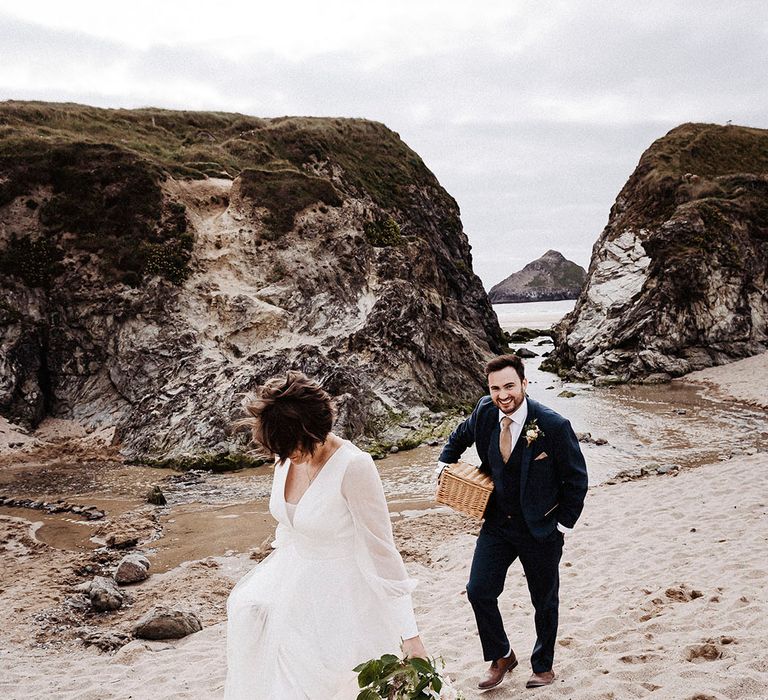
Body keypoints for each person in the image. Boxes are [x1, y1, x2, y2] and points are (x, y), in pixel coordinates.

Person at [225, 370, 426, 699]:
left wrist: (410, 634)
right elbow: (288, 528)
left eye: (290, 447)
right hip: (293, 590)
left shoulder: (354, 467)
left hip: (344, 604)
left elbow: (383, 553)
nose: (286, 456)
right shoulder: (288, 454)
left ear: (313, 428)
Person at [437, 354, 587, 690]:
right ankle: (502, 655)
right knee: (479, 591)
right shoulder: (485, 412)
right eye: (495, 388)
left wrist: (562, 526)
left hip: (540, 529)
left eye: (509, 386)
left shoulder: (553, 425)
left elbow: (576, 479)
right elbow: (458, 437)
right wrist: (442, 465)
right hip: (497, 524)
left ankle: (543, 666)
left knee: (544, 599)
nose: (503, 395)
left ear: (523, 384)